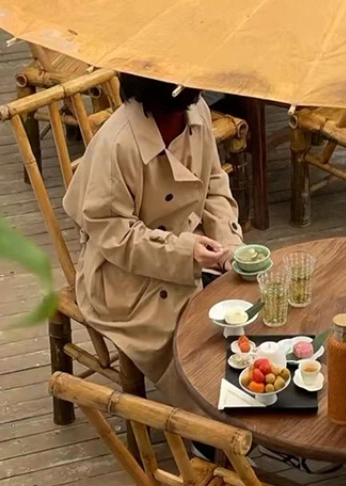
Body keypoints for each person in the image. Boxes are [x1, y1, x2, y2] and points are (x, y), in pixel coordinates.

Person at [63, 73, 243, 412]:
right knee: (194, 340)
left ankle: (256, 404)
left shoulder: (197, 111)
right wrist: (184, 251)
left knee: (251, 307)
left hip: (192, 252)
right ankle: (209, 430)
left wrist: (229, 243)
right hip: (123, 277)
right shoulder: (118, 143)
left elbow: (214, 184)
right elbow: (115, 236)